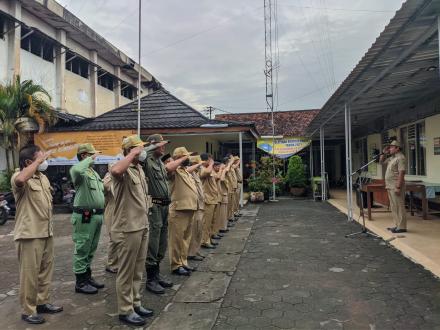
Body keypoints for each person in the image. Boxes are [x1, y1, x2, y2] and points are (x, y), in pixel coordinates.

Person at [11, 145, 63, 325]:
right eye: (40, 159)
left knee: (44, 272)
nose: (45, 162)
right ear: (28, 162)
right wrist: (37, 163)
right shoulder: (20, 176)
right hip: (29, 234)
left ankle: (42, 302)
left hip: (46, 232)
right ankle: (28, 310)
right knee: (29, 274)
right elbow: (20, 180)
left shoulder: (42, 178)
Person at [110, 135, 154, 326]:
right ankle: (125, 310)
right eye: (138, 149)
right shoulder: (122, 168)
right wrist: (132, 153)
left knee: (137, 270)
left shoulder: (138, 169)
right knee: (126, 271)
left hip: (141, 225)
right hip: (127, 228)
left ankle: (135, 303)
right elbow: (117, 170)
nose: (142, 152)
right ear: (130, 151)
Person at [70, 143, 105, 294]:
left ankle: (87, 277)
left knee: (91, 248)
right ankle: (80, 282)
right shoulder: (79, 171)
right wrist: (90, 159)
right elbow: (76, 169)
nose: (95, 157)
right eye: (92, 154)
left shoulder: (93, 173)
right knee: (82, 248)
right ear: (84, 155)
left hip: (97, 215)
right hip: (85, 216)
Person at [142, 134, 173, 294]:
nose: (164, 147)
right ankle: (151, 279)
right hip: (154, 207)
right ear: (153, 145)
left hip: (164, 207)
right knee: (153, 243)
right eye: (161, 144)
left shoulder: (159, 163)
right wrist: (153, 145)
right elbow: (142, 153)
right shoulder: (147, 160)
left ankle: (157, 273)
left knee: (162, 242)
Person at [168, 147, 199, 276]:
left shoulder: (184, 171)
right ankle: (176, 265)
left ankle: (183, 262)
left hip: (190, 208)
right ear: (178, 158)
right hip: (178, 210)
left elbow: (190, 168)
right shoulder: (174, 171)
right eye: (185, 157)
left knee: (186, 238)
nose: (188, 159)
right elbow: (169, 168)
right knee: (176, 239)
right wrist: (180, 159)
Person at [380, 140, 407, 233]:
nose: (389, 149)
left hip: (396, 186)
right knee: (394, 206)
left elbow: (401, 173)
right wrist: (383, 153)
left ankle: (402, 226)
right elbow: (381, 162)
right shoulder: (392, 158)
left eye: (391, 147)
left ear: (397, 148)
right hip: (390, 185)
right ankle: (397, 225)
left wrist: (398, 187)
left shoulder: (401, 158)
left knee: (399, 206)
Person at [187, 155, 206, 261]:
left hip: (200, 205)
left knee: (198, 230)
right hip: (195, 206)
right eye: (198, 164)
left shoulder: (195, 173)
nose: (200, 166)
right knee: (194, 230)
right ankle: (191, 253)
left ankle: (196, 251)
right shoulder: (189, 173)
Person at [200, 155, 220, 249]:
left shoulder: (209, 168)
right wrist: (211, 163)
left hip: (213, 198)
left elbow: (217, 177)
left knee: (212, 221)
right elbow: (206, 173)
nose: (211, 161)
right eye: (209, 159)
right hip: (207, 199)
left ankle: (209, 238)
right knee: (206, 222)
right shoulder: (202, 168)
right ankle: (205, 241)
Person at [103, 163, 118, 274]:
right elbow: (108, 188)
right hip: (112, 210)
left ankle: (118, 262)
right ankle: (111, 264)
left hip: (121, 210)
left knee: (120, 238)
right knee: (113, 238)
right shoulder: (108, 178)